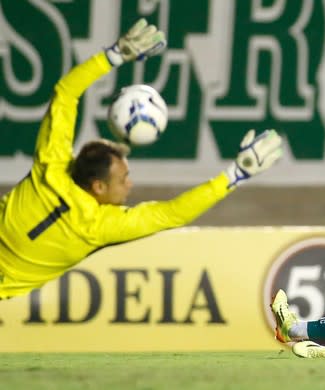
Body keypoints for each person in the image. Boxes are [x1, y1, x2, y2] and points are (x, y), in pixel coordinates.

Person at [0, 19, 283, 300]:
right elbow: (171, 213)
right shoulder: (98, 227)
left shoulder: (50, 166)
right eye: (123, 178)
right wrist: (234, 175)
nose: (130, 184)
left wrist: (113, 55)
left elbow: (65, 93)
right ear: (98, 186)